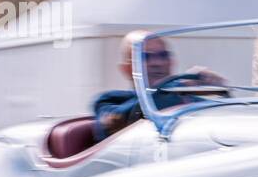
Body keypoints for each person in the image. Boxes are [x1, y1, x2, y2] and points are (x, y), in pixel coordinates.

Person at [92, 30, 225, 139]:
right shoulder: (110, 101)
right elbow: (117, 123)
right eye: (145, 57)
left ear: (172, 62)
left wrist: (220, 93)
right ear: (126, 69)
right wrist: (173, 90)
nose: (157, 63)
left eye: (163, 55)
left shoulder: (184, 96)